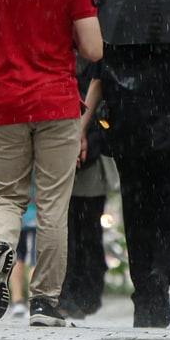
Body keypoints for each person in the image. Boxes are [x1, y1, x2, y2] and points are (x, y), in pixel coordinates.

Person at [0, 0, 103, 326]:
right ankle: (45, 302)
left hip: (8, 106)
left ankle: (2, 246)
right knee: (52, 205)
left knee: (6, 196)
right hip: (58, 107)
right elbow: (95, 50)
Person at [83, 43, 170, 328]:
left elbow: (99, 80)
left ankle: (143, 294)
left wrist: (82, 127)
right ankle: (160, 275)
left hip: (128, 133)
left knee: (137, 214)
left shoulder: (114, 22)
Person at [59, 122, 117, 320]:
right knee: (85, 235)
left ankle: (77, 293)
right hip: (82, 170)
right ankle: (81, 293)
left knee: (77, 235)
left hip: (80, 170)